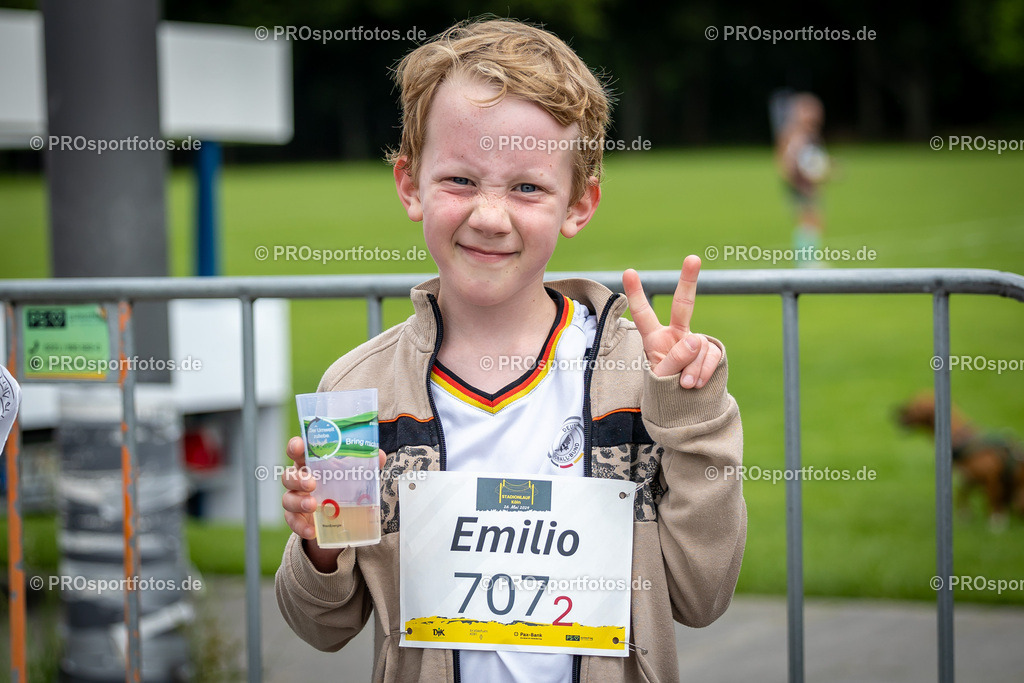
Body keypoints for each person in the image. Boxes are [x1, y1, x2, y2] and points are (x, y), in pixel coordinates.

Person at [275, 18, 746, 682]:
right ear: (410, 185)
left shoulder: (637, 381)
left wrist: (694, 419)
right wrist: (319, 546)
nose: (490, 215)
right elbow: (321, 624)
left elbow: (703, 594)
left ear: (579, 205)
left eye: (526, 187)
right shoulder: (359, 395)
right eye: (461, 180)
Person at [775, 92, 830, 267]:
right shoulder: (794, 133)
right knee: (808, 220)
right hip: (800, 184)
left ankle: (809, 258)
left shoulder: (809, 133)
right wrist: (797, 178)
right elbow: (787, 160)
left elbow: (813, 158)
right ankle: (806, 260)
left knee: (814, 220)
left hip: (808, 183)